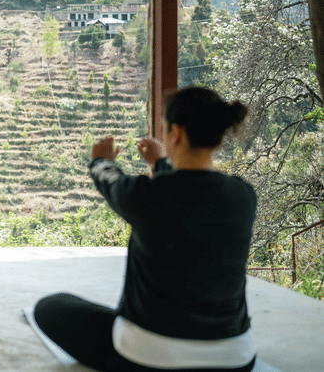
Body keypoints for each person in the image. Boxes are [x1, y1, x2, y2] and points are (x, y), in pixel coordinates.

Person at [33, 86, 256, 372]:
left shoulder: (147, 196)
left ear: (175, 133)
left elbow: (110, 180)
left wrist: (100, 159)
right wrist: (161, 162)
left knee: (51, 307)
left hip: (148, 358)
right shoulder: (243, 196)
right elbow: (188, 198)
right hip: (235, 359)